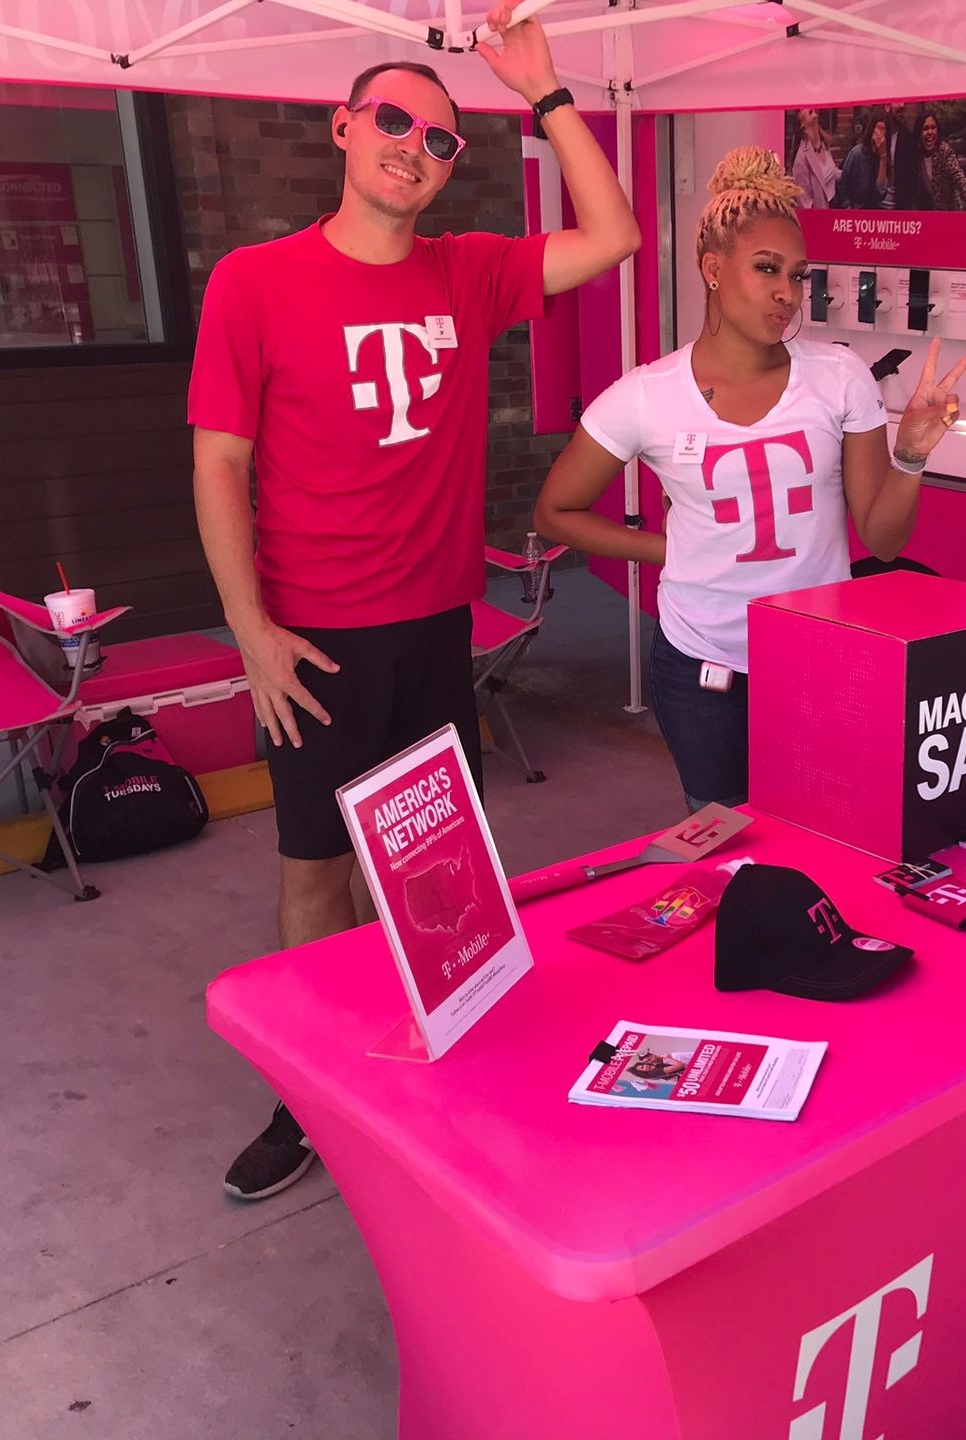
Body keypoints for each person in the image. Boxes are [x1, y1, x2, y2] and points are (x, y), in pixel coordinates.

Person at [188, 2, 640, 1202]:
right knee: (313, 867)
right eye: (394, 120)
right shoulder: (255, 281)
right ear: (342, 128)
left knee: (441, 864)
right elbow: (218, 462)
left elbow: (616, 233)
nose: (416, 147)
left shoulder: (471, 269)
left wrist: (543, 94)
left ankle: (448, 1056)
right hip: (312, 637)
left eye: (441, 140)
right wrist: (249, 631)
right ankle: (313, 1091)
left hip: (436, 624)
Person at [532, 147, 966, 810]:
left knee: (829, 828)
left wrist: (910, 457)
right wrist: (669, 548)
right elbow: (554, 512)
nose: (786, 295)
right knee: (727, 845)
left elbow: (882, 541)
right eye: (767, 270)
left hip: (819, 657)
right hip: (702, 663)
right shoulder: (646, 395)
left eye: (798, 276)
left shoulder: (839, 377)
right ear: (712, 268)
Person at [916, 111, 966, 212]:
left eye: (933, 128)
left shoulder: (945, 151)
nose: (930, 132)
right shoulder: (917, 154)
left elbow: (960, 179)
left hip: (950, 213)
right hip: (929, 215)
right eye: (925, 128)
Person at [789, 107, 840, 210]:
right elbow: (804, 201)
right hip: (819, 218)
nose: (810, 107)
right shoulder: (801, 158)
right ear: (802, 124)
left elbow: (831, 174)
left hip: (834, 212)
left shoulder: (824, 146)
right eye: (802, 109)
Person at [837, 115, 891, 210]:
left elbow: (881, 192)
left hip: (874, 211)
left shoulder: (885, 157)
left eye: (883, 129)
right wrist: (848, 207)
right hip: (855, 209)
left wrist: (883, 157)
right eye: (877, 128)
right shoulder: (856, 153)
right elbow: (842, 184)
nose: (879, 133)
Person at [885, 102, 928, 211]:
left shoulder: (908, 140)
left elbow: (912, 182)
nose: (902, 105)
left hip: (900, 212)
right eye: (897, 101)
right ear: (887, 106)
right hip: (873, 212)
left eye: (904, 101)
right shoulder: (874, 136)